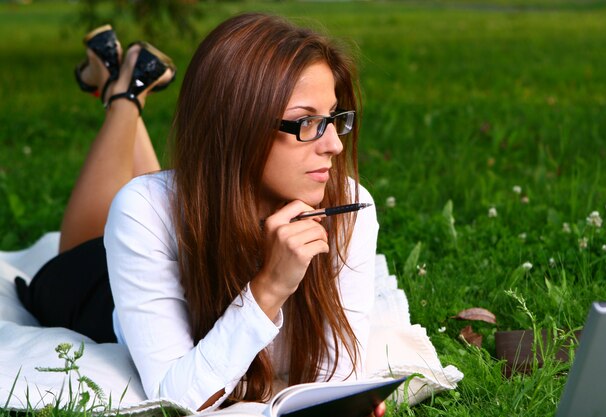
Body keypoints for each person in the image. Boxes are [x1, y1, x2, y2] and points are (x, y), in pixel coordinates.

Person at [15, 13, 383, 416]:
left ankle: (126, 79)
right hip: (92, 287)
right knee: (132, 209)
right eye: (307, 121)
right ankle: (122, 92)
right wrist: (270, 289)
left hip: (197, 198)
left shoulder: (349, 206)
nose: (333, 145)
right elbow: (178, 399)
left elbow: (341, 377)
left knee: (166, 199)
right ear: (237, 124)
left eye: (333, 118)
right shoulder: (141, 212)